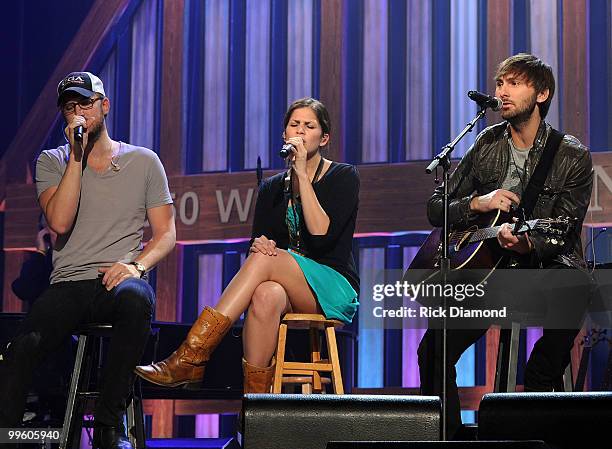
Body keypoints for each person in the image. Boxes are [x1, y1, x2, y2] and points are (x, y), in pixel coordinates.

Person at [417, 54, 593, 438]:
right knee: (433, 346)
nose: (502, 91)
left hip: (549, 267)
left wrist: (529, 243)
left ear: (542, 94)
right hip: (493, 271)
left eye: (514, 83)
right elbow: (436, 208)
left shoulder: (571, 154)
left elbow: (564, 230)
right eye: (500, 83)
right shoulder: (486, 142)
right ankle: (448, 435)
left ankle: (539, 388)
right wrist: (478, 203)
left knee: (575, 285)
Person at [135, 97, 360, 397]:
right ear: (284, 134)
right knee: (265, 294)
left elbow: (320, 235)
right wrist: (262, 244)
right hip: (288, 283)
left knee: (267, 263)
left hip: (333, 285)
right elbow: (259, 250)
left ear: (324, 137)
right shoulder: (271, 189)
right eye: (295, 125)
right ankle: (255, 406)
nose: (301, 131)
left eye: (309, 126)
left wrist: (303, 174)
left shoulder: (344, 176)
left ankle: (192, 355)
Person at [0, 72, 176, 449]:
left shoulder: (144, 161)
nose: (78, 112)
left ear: (104, 106)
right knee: (23, 347)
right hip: (68, 284)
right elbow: (59, 221)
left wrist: (137, 266)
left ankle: (109, 429)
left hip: (117, 279)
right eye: (69, 107)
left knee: (136, 298)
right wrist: (76, 159)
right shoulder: (52, 161)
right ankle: (12, 438)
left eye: (85, 103)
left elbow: (166, 235)